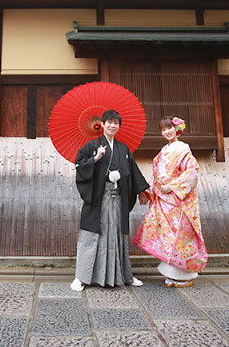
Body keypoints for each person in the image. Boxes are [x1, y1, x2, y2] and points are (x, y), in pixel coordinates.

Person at [71, 109, 150, 292]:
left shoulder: (123, 149)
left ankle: (124, 275)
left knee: (117, 237)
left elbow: (133, 171)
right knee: (92, 236)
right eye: (110, 122)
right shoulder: (92, 146)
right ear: (103, 124)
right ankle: (81, 277)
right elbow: (79, 166)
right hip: (98, 199)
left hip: (117, 200)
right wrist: (95, 158)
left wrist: (142, 191)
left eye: (116, 123)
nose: (113, 126)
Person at [133, 116, 208, 287]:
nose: (167, 132)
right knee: (167, 236)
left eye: (169, 128)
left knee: (179, 236)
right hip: (164, 198)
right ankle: (172, 272)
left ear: (177, 129)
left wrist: (173, 186)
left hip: (177, 200)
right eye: (163, 129)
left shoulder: (183, 149)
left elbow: (192, 172)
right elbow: (158, 175)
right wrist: (147, 191)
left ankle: (183, 274)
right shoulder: (164, 150)